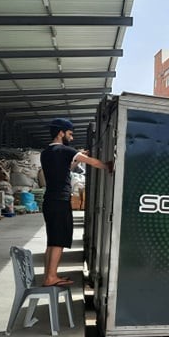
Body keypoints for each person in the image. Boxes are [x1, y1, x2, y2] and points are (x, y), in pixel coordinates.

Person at [40, 117, 112, 286]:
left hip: (49, 201)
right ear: (61, 133)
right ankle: (51, 278)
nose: (71, 138)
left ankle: (48, 276)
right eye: (70, 134)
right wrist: (108, 165)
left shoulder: (46, 153)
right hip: (60, 201)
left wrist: (76, 158)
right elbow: (93, 162)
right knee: (58, 241)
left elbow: (66, 169)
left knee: (52, 240)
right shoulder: (66, 150)